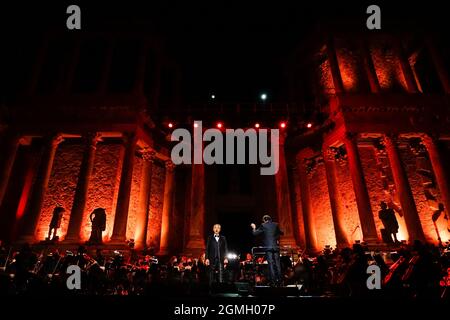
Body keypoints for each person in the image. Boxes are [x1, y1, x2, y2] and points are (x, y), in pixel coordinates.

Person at [251, 214, 284, 286]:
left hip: (268, 247)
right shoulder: (276, 224)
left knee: (271, 264)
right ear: (270, 219)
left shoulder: (263, 225)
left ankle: (273, 281)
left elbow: (255, 233)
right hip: (275, 247)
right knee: (277, 264)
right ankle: (280, 281)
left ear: (264, 220)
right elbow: (281, 232)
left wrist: (254, 228)